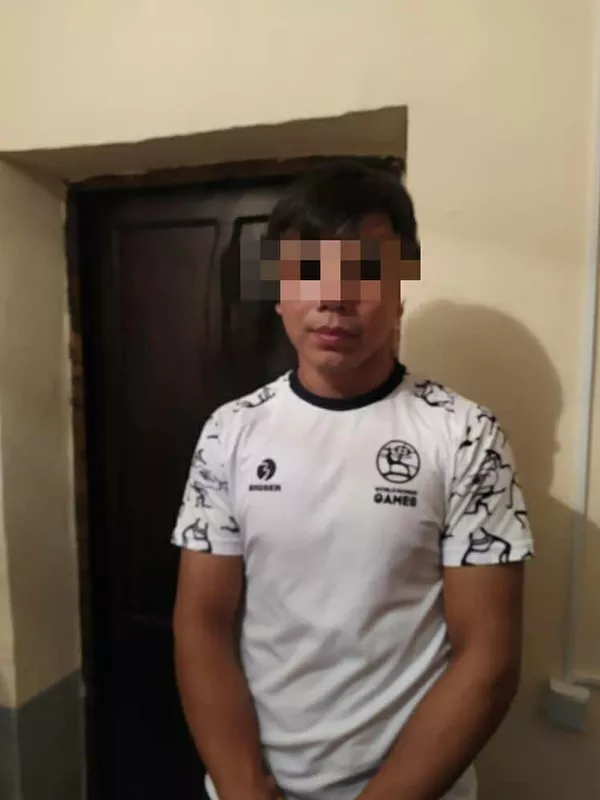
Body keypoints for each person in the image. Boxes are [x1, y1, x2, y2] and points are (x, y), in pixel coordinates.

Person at [171, 160, 534, 800]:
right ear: (279, 291)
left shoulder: (465, 435)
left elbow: (488, 658)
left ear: (400, 290)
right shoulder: (231, 432)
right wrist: (242, 785)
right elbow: (201, 623)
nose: (334, 296)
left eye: (365, 270)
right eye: (308, 270)